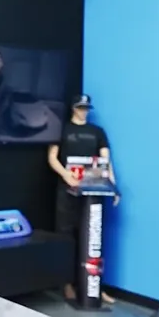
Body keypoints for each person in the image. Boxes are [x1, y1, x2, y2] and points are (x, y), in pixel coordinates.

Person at [47, 94, 119, 305]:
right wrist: (65, 175)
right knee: (66, 235)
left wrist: (113, 187)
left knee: (93, 239)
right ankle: (67, 283)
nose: (83, 111)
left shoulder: (97, 132)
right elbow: (52, 157)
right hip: (68, 191)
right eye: (80, 107)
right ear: (73, 108)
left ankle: (96, 286)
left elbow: (106, 161)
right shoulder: (62, 130)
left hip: (92, 193)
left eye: (86, 108)